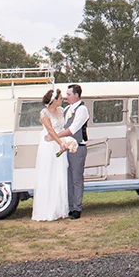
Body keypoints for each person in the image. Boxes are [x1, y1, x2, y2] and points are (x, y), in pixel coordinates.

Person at [31, 88, 73, 222]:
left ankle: (59, 209)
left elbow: (64, 127)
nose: (63, 100)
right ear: (54, 100)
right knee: (48, 175)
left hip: (59, 144)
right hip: (49, 147)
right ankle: (46, 210)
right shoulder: (44, 113)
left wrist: (65, 141)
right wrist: (60, 142)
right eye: (60, 98)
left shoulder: (62, 111)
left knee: (59, 174)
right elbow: (50, 129)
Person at [62, 83, 89, 219]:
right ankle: (70, 206)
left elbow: (73, 129)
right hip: (66, 147)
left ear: (76, 95)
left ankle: (77, 208)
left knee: (76, 178)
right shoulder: (67, 109)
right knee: (68, 178)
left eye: (68, 94)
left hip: (77, 147)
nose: (66, 97)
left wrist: (55, 136)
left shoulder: (82, 109)